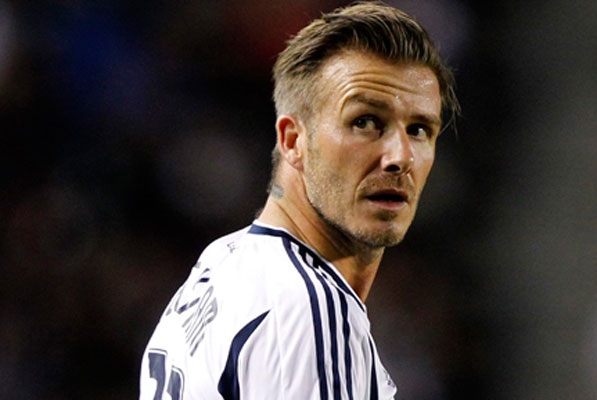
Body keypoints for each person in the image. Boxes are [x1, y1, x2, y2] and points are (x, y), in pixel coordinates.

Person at [139, 2, 459, 399]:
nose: (400, 157)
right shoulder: (308, 305)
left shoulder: (220, 265)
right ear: (293, 141)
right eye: (364, 122)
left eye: (419, 129)